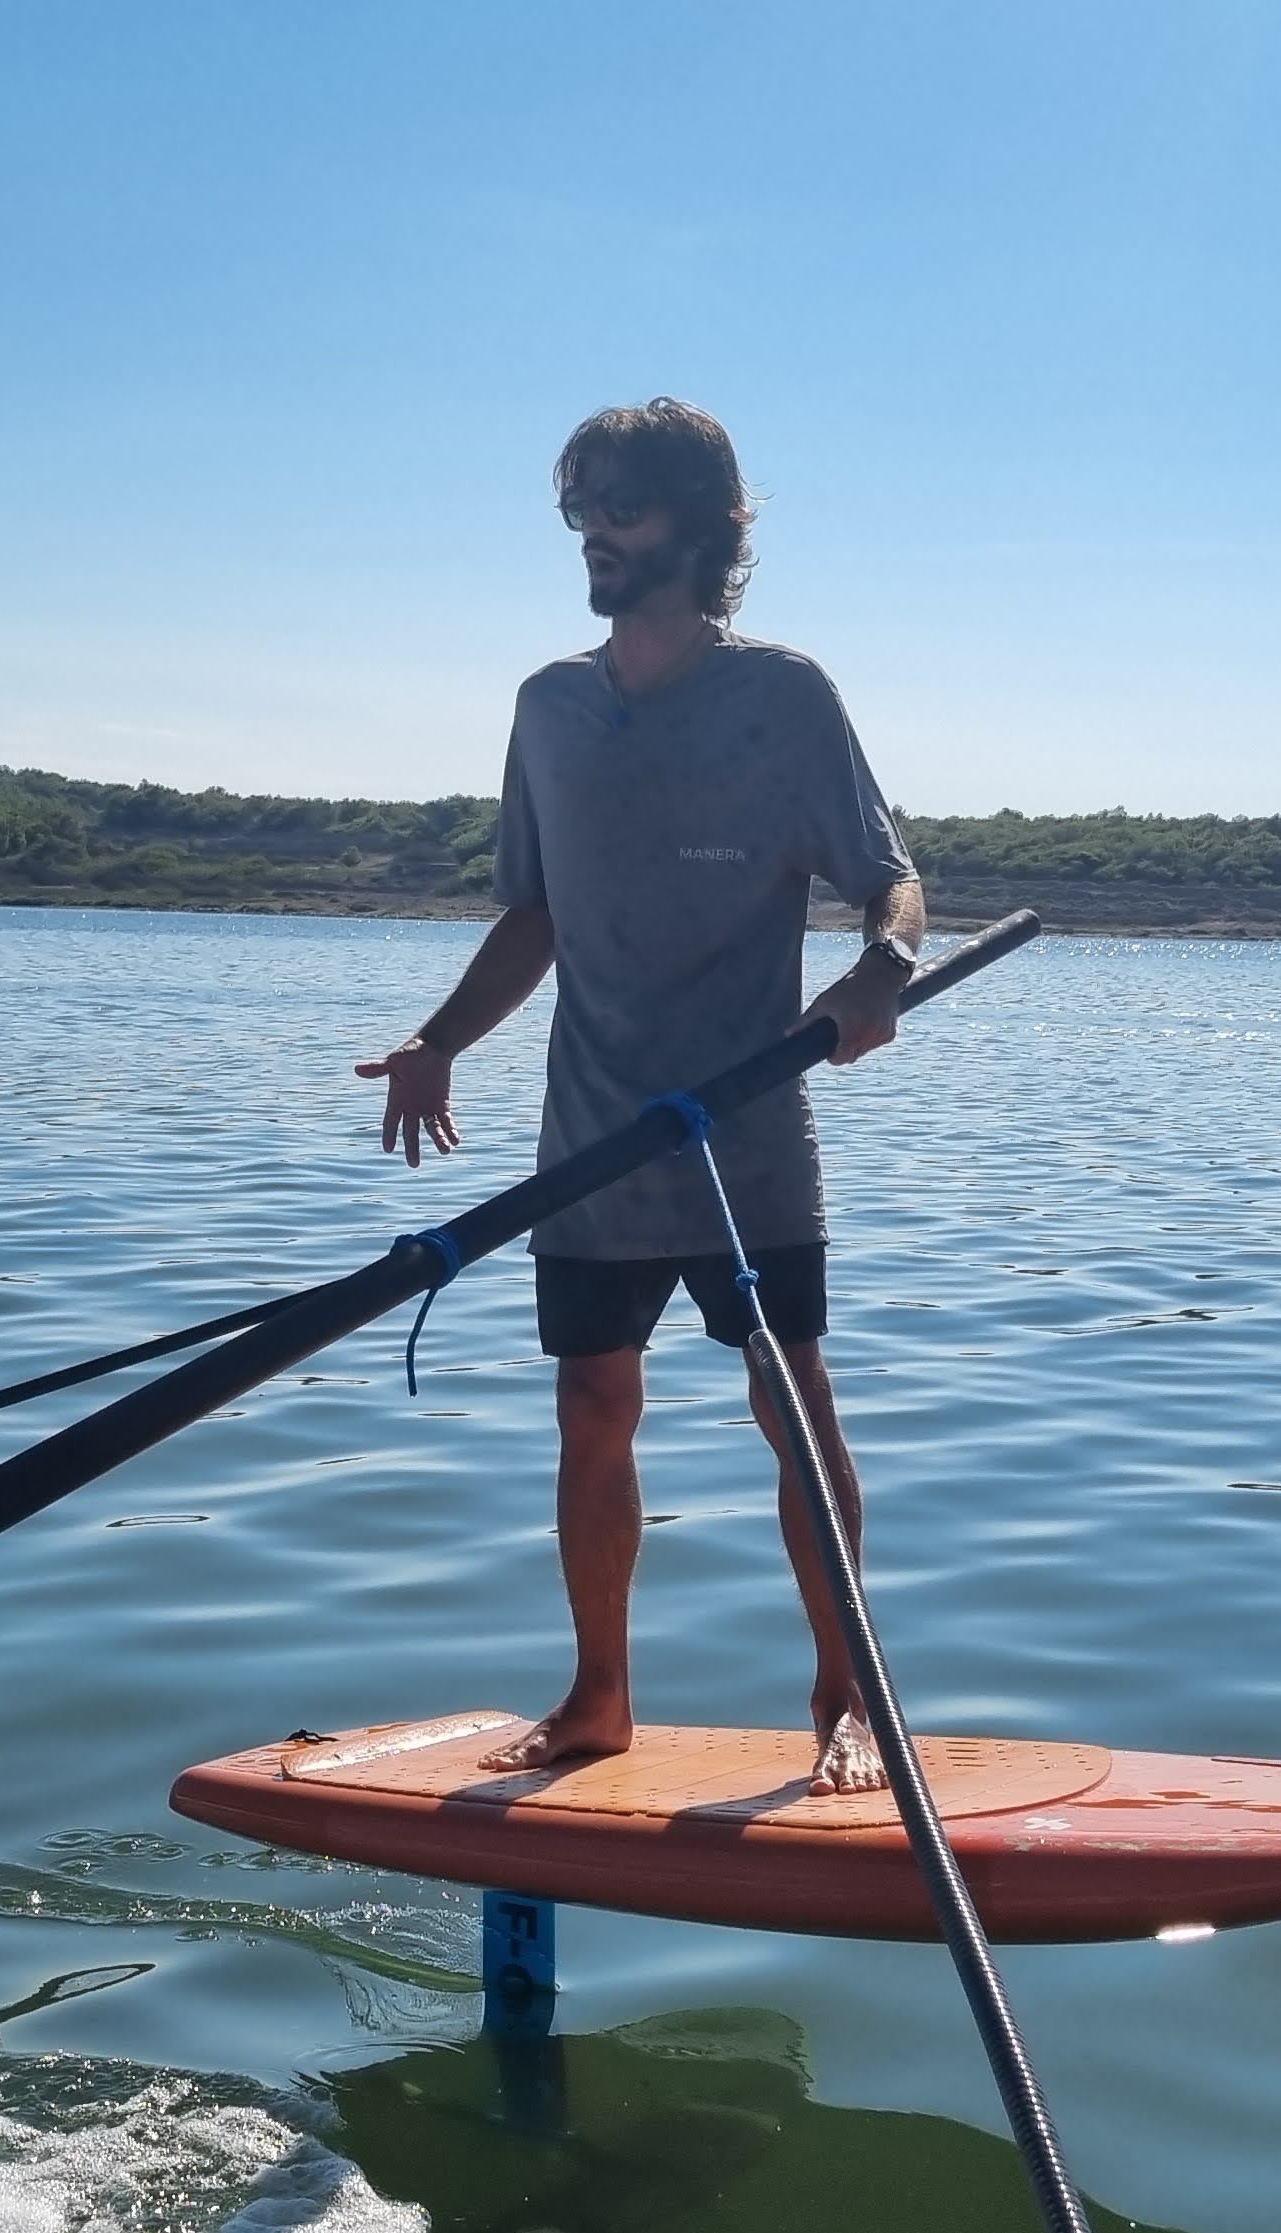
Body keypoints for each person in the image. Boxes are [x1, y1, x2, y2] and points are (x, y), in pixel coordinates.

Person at [356, 398, 926, 1798]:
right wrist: (438, 1041)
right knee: (592, 1404)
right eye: (580, 510)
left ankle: (848, 1700)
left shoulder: (784, 696)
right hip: (594, 1141)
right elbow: (536, 914)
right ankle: (598, 1698)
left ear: (703, 524)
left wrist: (883, 972)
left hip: (749, 1135)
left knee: (791, 1400)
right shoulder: (548, 707)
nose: (592, 534)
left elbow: (891, 879)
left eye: (620, 506)